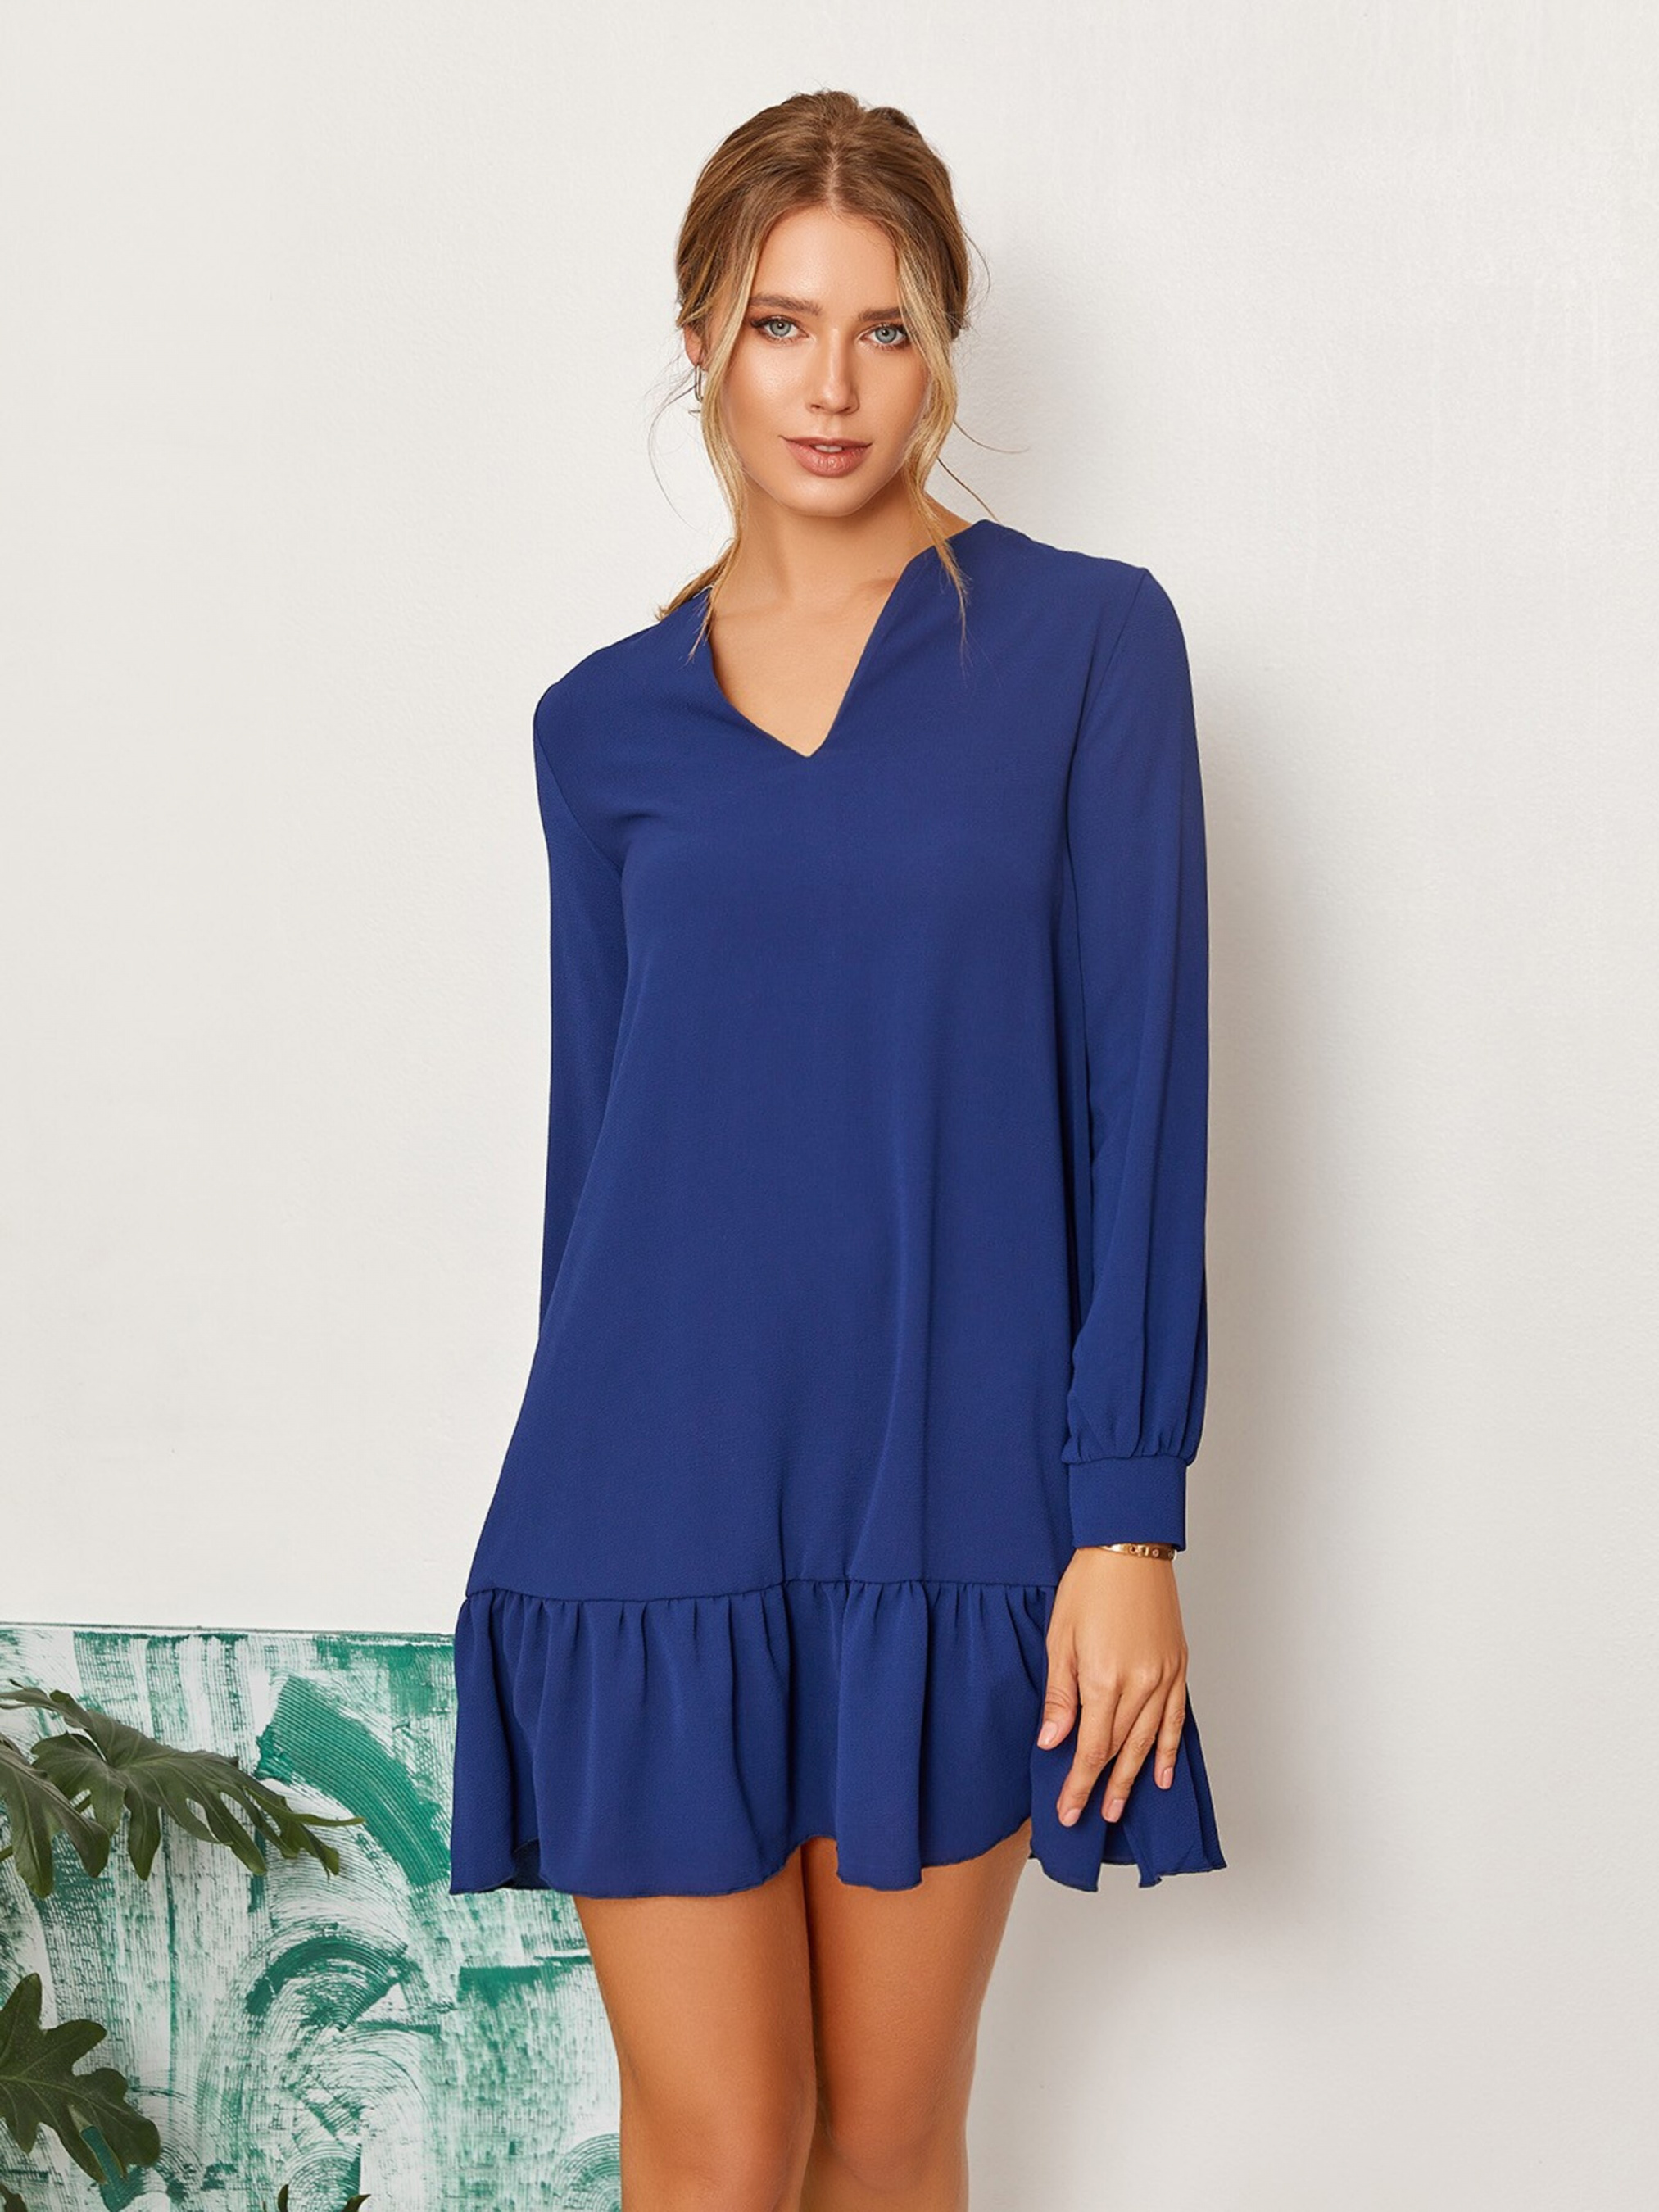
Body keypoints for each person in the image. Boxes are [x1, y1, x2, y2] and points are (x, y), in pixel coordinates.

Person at [449, 88, 1225, 2210]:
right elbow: (603, 1151)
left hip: (947, 1498)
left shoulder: (1086, 650)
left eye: (884, 330)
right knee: (716, 2153)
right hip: (645, 1502)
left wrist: (1126, 1517)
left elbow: (1142, 1092)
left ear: (940, 348)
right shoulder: (599, 725)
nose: (830, 384)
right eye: (781, 324)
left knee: (883, 2142)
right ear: (700, 336)